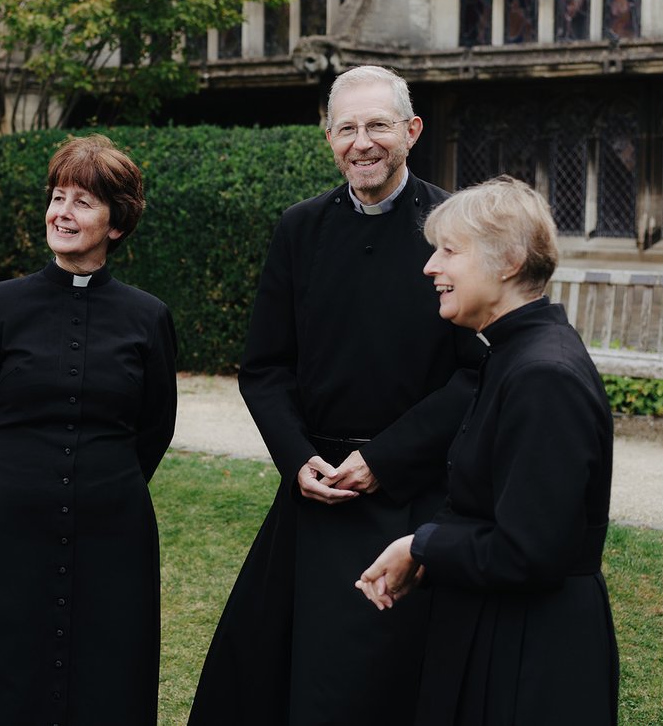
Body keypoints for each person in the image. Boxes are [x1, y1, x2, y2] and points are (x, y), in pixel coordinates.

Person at [190, 66, 480, 725]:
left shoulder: (453, 228)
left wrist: (386, 458)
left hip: (412, 493)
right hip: (313, 495)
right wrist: (296, 460)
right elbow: (264, 367)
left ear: (412, 131)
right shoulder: (300, 229)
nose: (363, 142)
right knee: (267, 678)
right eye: (347, 128)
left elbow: (476, 374)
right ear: (329, 139)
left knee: (387, 686)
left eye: (378, 125)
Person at [0, 135, 177, 726]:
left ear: (117, 223)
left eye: (83, 201)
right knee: (0, 663)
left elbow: (154, 426)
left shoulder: (148, 316)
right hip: (9, 521)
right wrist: (20, 480)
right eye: (58, 197)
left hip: (114, 526)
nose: (63, 213)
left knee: (105, 666)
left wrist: (103, 481)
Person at [357, 176, 618, 725]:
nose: (431, 267)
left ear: (509, 261)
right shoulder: (510, 354)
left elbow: (530, 550)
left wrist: (421, 545)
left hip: (533, 650)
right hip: (499, 625)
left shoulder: (544, 374)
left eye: (449, 251)